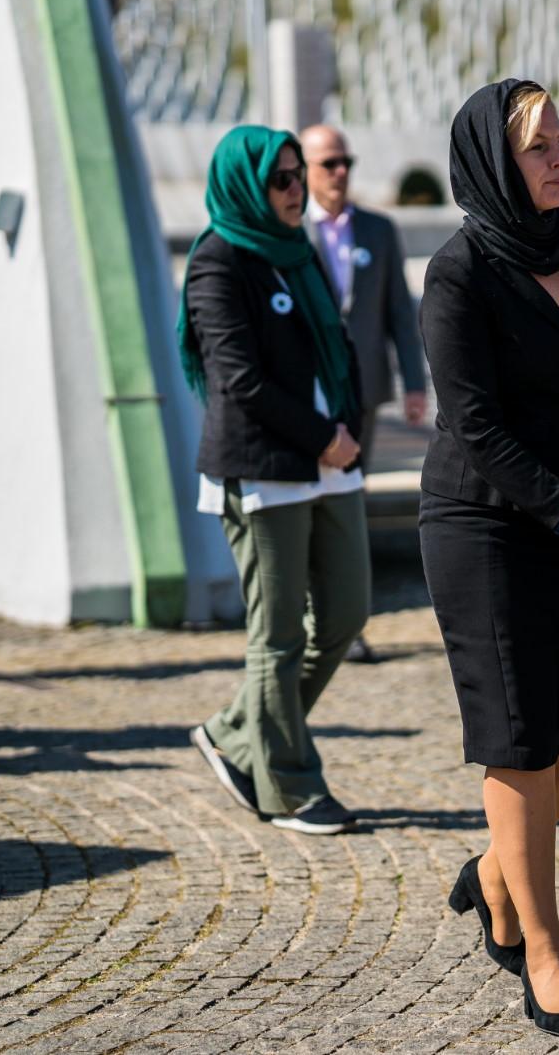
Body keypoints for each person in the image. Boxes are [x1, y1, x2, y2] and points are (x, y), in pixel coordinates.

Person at [420, 79, 559, 1040]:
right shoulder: (458, 273)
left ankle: (492, 873)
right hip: (487, 525)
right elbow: (472, 424)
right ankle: (544, 953)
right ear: (496, 165)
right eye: (540, 148)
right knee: (519, 736)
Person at [180, 125, 369, 836]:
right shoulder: (218, 261)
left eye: (299, 175)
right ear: (247, 186)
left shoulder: (299, 250)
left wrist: (344, 431)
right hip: (265, 470)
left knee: (346, 614)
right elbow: (239, 379)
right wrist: (324, 436)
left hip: (331, 463)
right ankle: (286, 787)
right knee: (279, 636)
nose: (297, 189)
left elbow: (338, 349)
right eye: (282, 179)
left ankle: (235, 731)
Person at [301, 123, 427, 665]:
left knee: (350, 500)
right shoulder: (288, 233)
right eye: (328, 164)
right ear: (304, 170)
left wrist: (415, 383)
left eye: (345, 162)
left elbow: (400, 309)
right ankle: (313, 618)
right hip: (307, 394)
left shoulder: (377, 229)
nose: (340, 173)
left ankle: (349, 622)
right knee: (307, 500)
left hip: (366, 388)